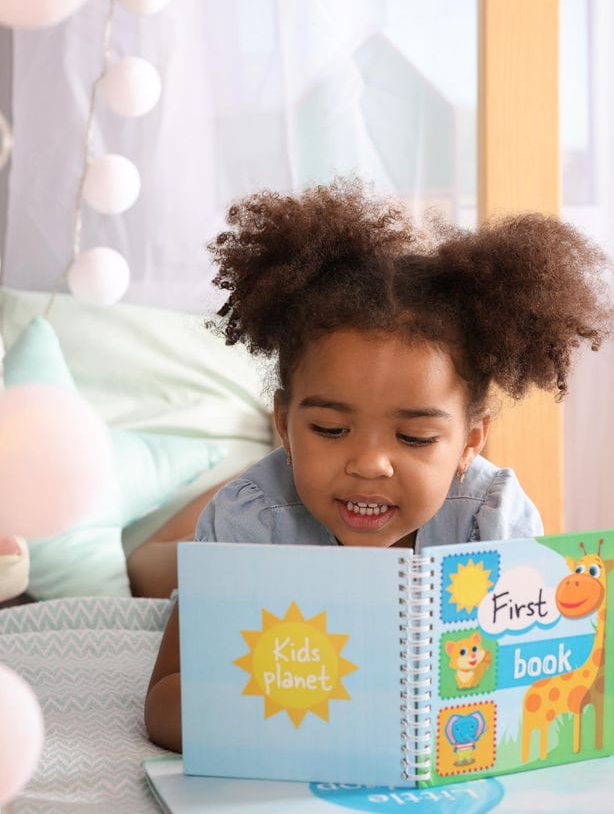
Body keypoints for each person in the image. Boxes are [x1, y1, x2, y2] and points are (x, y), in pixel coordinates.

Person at [144, 179, 612, 752]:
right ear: (284, 423)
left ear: (471, 441)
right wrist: (311, 713)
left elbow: (541, 693)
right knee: (149, 566)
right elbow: (165, 704)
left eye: (415, 437)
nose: (369, 464)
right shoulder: (252, 522)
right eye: (330, 430)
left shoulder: (491, 519)